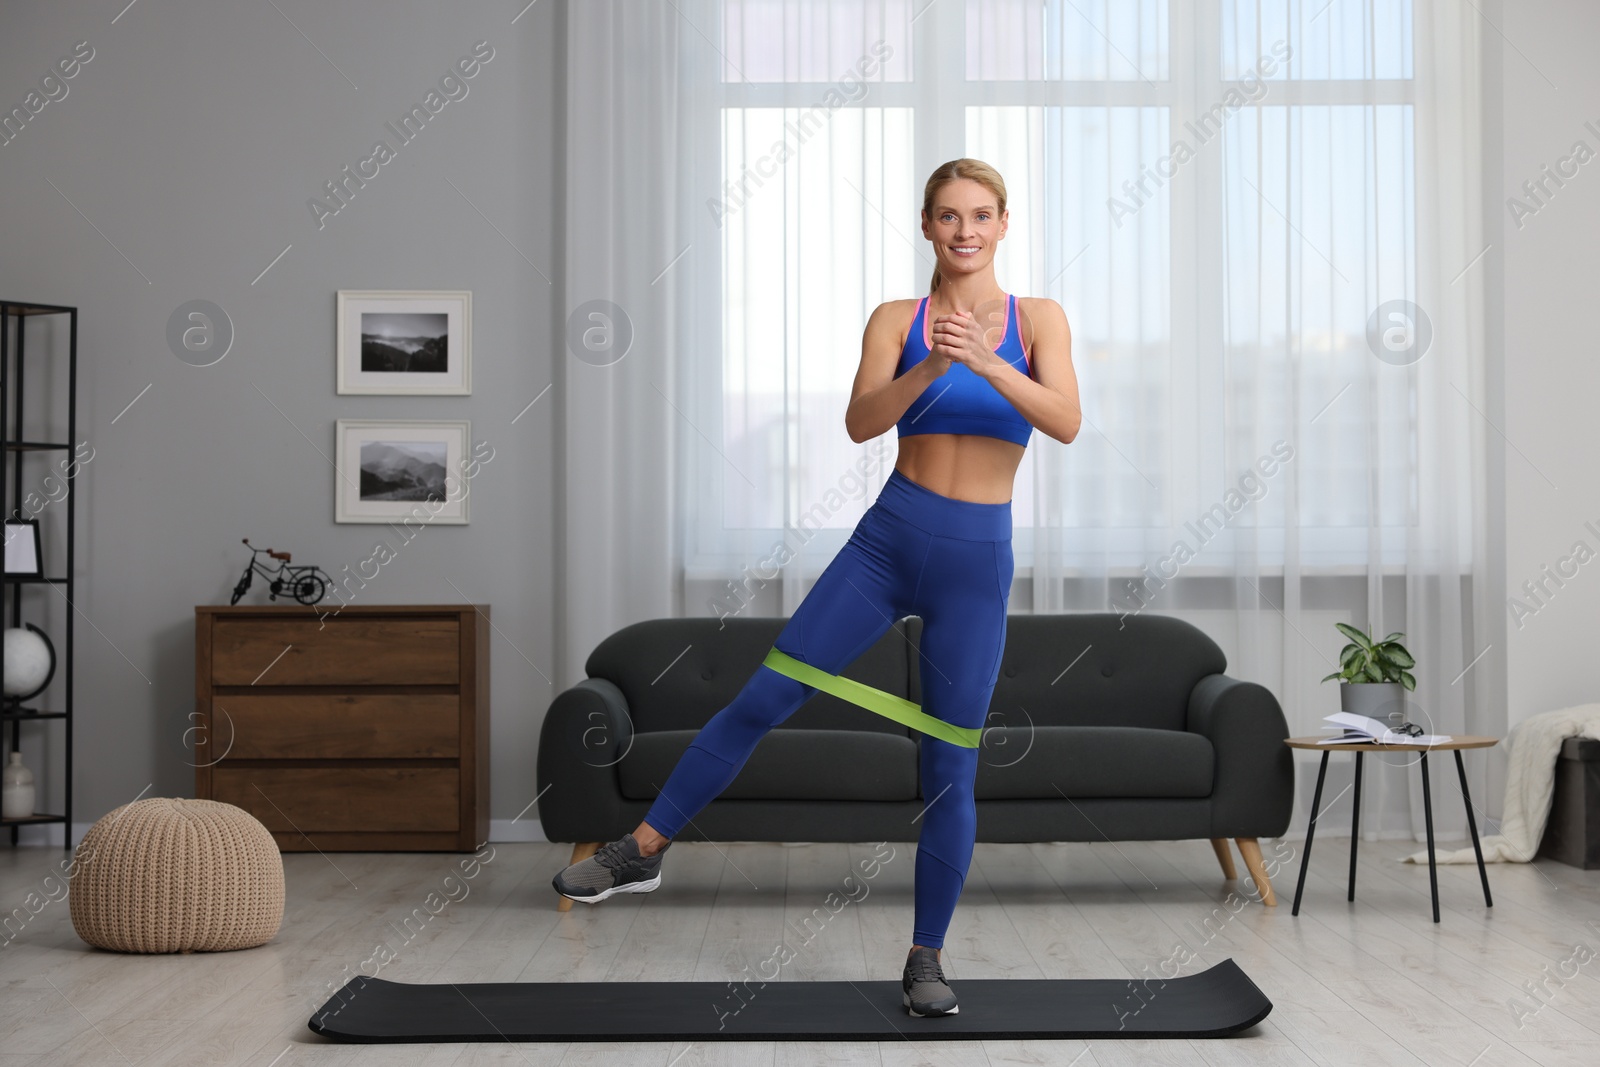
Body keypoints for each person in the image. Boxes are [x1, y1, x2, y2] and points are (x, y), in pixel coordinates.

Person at [554, 158, 1082, 1017]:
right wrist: (926, 370)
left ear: (1003, 223)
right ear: (927, 226)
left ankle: (925, 956)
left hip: (975, 560)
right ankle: (643, 848)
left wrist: (986, 361)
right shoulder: (896, 318)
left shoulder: (1038, 319)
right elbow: (861, 421)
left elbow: (1063, 420)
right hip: (888, 540)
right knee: (763, 696)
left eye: (981, 215)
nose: (965, 231)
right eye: (948, 216)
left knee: (952, 764)